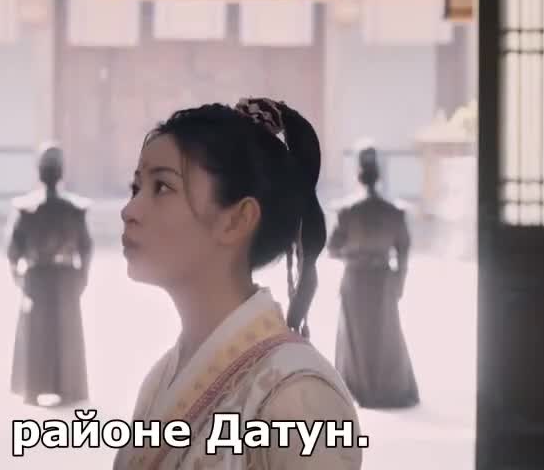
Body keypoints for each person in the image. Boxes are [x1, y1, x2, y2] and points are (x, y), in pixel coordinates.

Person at [113, 99, 361, 469]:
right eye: (136, 188)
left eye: (161, 187)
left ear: (236, 220)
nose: (129, 210)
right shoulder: (161, 379)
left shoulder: (296, 397)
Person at [330, 144, 419, 409]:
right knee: (385, 335)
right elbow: (404, 250)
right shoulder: (394, 211)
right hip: (383, 279)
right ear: (379, 174)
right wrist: (399, 283)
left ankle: (357, 389)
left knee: (356, 337)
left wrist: (353, 254)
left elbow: (333, 248)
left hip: (355, 278)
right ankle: (388, 390)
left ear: (358, 174)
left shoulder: (347, 211)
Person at [6, 142, 93, 407]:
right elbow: (13, 250)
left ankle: (52, 389)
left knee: (55, 333)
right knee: (47, 333)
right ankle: (48, 388)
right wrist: (82, 276)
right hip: (51, 278)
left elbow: (13, 251)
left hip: (51, 278)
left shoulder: (70, 209)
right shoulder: (31, 209)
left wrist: (18, 276)